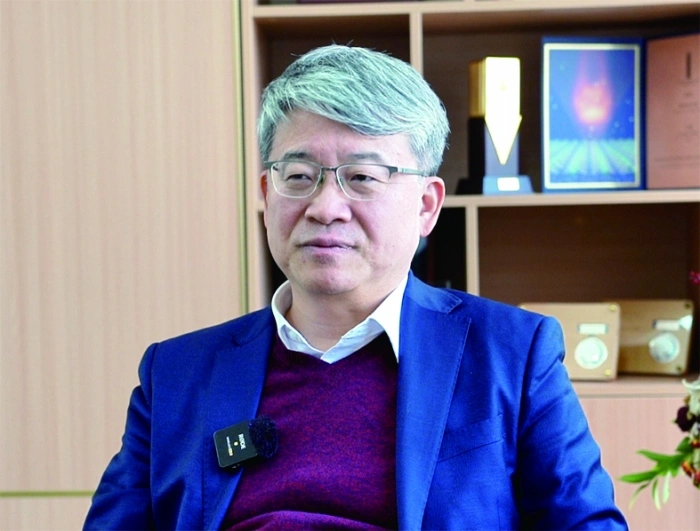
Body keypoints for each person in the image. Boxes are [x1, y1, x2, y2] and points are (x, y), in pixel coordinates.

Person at [84, 45, 627, 530]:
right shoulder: (176, 374)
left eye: (362, 178)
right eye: (299, 176)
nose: (325, 208)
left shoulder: (513, 354)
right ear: (267, 194)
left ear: (426, 206)